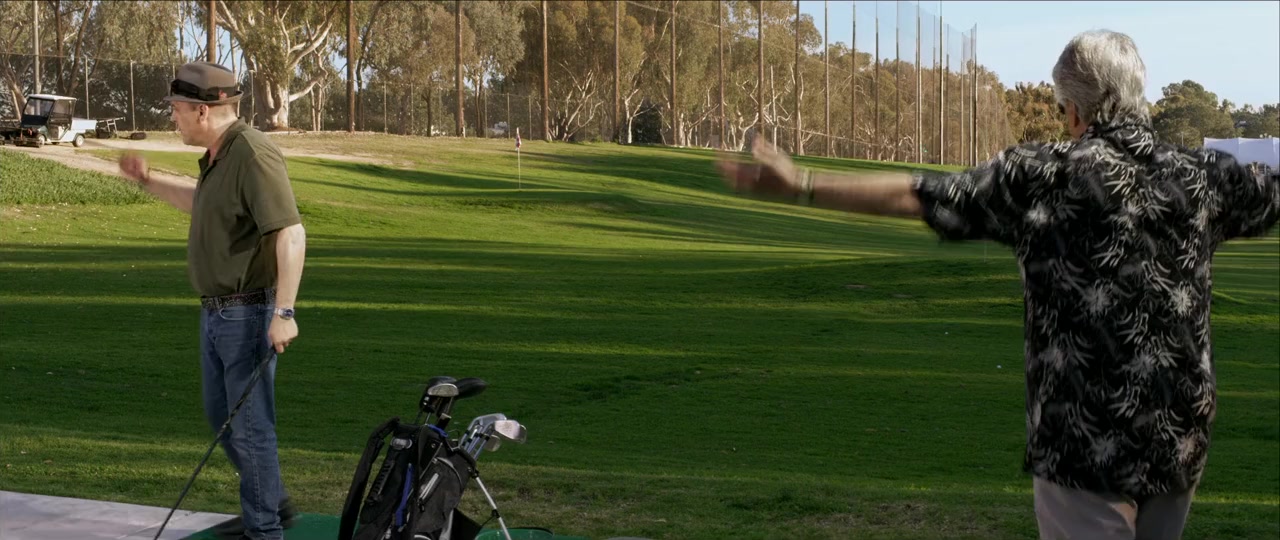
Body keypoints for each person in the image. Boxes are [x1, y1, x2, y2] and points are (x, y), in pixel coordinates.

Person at [717, 30, 1278, 540]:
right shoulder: (1202, 177)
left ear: (1074, 108)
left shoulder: (1045, 176)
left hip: (1082, 438)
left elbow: (923, 195)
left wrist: (804, 184)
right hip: (1178, 435)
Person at [117, 61, 306, 540]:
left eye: (177, 109)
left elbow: (290, 232)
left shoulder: (252, 153)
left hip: (248, 314)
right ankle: (271, 502)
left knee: (250, 427)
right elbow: (202, 206)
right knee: (223, 416)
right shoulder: (219, 156)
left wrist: (284, 312)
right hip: (218, 315)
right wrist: (147, 181)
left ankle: (265, 530)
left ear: (202, 111)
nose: (173, 117)